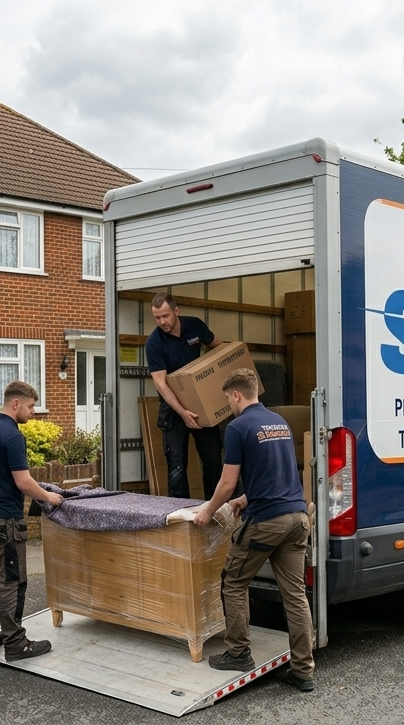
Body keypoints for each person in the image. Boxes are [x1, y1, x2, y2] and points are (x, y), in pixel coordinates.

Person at [192, 368, 314, 692]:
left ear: (235, 395)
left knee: (233, 581)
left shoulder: (238, 427)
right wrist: (247, 498)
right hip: (298, 518)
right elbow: (280, 472)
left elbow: (227, 481)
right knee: (296, 596)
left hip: (268, 523)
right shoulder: (280, 423)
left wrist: (207, 511)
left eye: (227, 399)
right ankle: (303, 671)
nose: (229, 405)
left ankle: (238, 652)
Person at [0, 380, 64, 661]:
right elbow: (23, 482)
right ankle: (15, 643)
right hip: (3, 521)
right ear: (16, 404)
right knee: (12, 581)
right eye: (31, 406)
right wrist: (49, 497)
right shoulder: (12, 435)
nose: (33, 412)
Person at [145, 292, 225, 499]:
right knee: (177, 467)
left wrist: (213, 378)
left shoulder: (195, 326)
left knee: (214, 461)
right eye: (157, 317)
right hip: (173, 409)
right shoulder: (154, 343)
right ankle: (181, 515)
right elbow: (161, 384)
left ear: (176, 311)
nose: (162, 322)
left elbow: (220, 347)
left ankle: (216, 509)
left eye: (166, 316)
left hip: (200, 403)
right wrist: (183, 413)